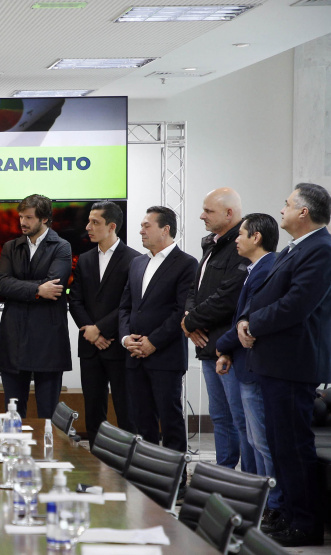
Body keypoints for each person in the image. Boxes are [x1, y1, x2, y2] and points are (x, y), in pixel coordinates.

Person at [237, 183, 331, 547]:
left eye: (288, 204)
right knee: (279, 447)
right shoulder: (297, 248)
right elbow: (262, 295)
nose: (283, 209)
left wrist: (253, 324)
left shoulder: (321, 249)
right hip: (275, 362)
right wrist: (245, 321)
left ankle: (305, 524)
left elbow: (296, 304)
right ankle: (290, 515)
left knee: (293, 447)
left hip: (294, 363)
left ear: (304, 212)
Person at [214, 213, 282, 532]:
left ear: (256, 237)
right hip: (245, 361)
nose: (236, 239)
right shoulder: (255, 268)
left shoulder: (268, 267)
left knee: (263, 441)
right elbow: (241, 319)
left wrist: (220, 344)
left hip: (257, 365)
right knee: (255, 441)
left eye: (241, 233)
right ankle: (264, 502)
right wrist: (228, 347)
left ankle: (275, 505)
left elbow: (250, 317)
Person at [181, 188, 252, 472]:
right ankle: (223, 474)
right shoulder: (212, 244)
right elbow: (194, 289)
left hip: (230, 349)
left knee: (239, 418)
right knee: (221, 417)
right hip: (208, 345)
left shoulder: (241, 247)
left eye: (208, 211)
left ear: (229, 214)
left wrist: (190, 322)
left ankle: (247, 485)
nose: (202, 215)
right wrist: (189, 318)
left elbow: (227, 297)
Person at [118, 206, 197, 458]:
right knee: (142, 421)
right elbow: (125, 306)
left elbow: (180, 311)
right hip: (135, 355)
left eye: (146, 226)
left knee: (170, 419)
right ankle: (146, 475)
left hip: (165, 356)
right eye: (141, 225)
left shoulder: (186, 263)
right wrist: (125, 338)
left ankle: (177, 480)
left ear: (165, 229)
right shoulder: (137, 262)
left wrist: (153, 342)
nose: (141, 230)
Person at [69, 201, 139, 447]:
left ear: (112, 226)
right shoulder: (85, 259)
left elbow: (128, 303)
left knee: (126, 409)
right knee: (93, 409)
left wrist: (101, 329)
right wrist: (90, 330)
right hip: (90, 346)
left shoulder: (134, 260)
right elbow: (74, 299)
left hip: (118, 346)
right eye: (88, 221)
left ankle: (130, 464)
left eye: (95, 222)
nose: (88, 227)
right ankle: (97, 461)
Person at [0, 194, 72, 419]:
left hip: (48, 339)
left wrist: (19, 287)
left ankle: (48, 454)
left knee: (48, 414)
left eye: (29, 217)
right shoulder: (11, 246)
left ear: (45, 219)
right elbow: (2, 284)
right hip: (14, 337)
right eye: (21, 217)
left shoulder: (61, 246)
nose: (22, 222)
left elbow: (55, 285)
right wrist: (38, 290)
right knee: (13, 414)